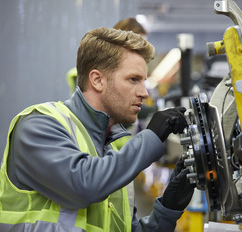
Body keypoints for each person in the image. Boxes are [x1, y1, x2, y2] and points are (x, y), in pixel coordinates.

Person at [0, 28, 195, 231]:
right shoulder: (37, 126)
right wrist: (152, 136)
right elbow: (83, 185)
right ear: (97, 80)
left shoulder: (112, 158)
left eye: (143, 81)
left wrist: (169, 207)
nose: (144, 93)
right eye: (133, 80)